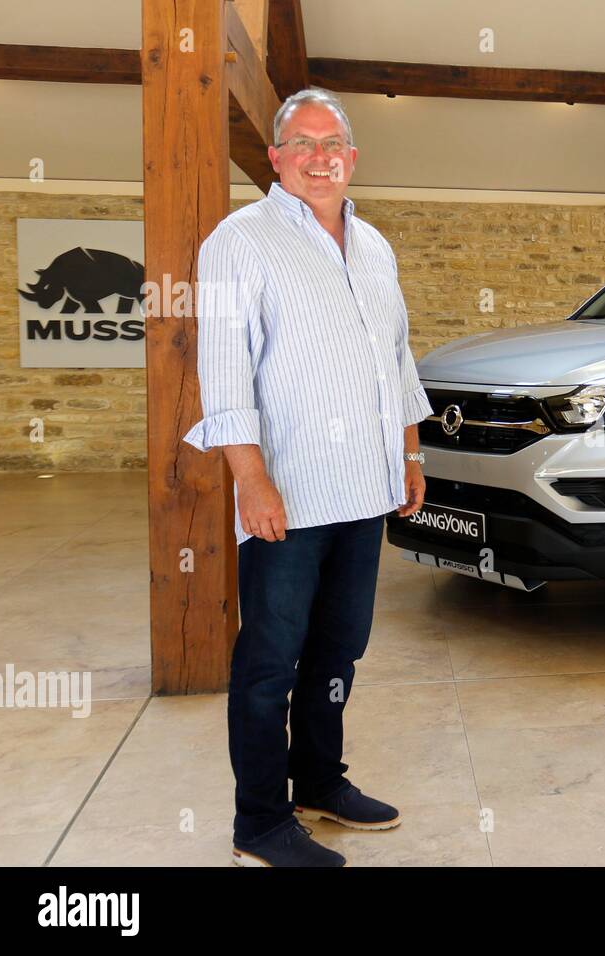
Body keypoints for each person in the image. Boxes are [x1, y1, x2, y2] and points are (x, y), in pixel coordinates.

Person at [183, 87, 432, 866]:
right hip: (287, 494)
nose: (320, 157)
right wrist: (249, 480)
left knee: (339, 649)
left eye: (334, 145)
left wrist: (411, 452)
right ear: (277, 158)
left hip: (365, 488)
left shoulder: (375, 245)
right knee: (270, 660)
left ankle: (319, 780)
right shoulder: (240, 240)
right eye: (303, 143)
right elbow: (222, 371)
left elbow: (395, 361)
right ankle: (259, 822)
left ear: (351, 159)